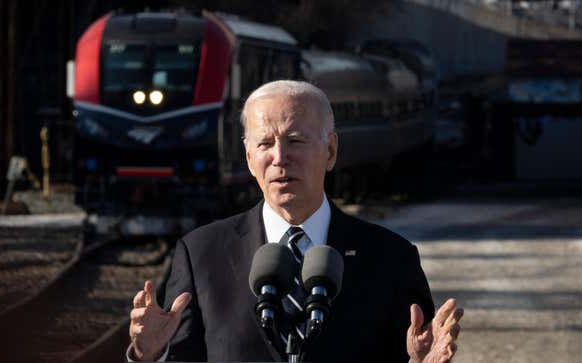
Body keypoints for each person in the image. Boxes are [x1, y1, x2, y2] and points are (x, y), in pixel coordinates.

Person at [128, 80, 463, 362]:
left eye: (295, 140)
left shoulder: (392, 258)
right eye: (265, 143)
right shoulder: (201, 253)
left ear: (330, 151)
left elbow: (414, 351)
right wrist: (152, 355)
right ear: (248, 158)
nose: (279, 157)